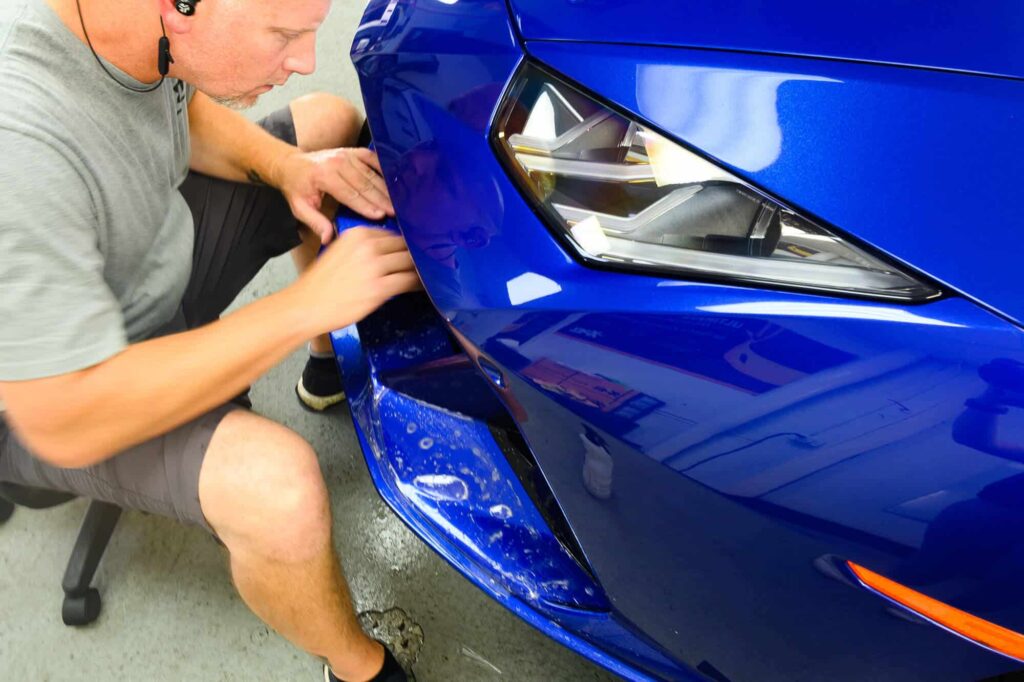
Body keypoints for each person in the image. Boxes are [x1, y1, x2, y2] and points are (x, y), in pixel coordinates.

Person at [0, 0, 418, 680]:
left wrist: (289, 169)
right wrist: (301, 307)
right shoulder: (19, 145)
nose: (306, 58)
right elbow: (63, 414)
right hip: (59, 393)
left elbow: (178, 106)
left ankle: (324, 369)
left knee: (325, 126)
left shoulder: (135, 29)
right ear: (181, 7)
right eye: (284, 34)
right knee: (277, 492)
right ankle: (360, 669)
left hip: (146, 258)